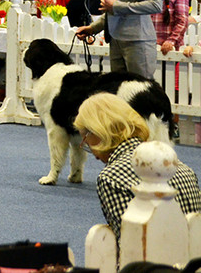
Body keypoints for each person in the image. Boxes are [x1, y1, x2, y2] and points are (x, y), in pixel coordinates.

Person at [74, 93, 201, 242]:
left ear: (96, 132)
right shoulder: (182, 168)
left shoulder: (110, 178)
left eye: (86, 142)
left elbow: (129, 244)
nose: (92, 153)